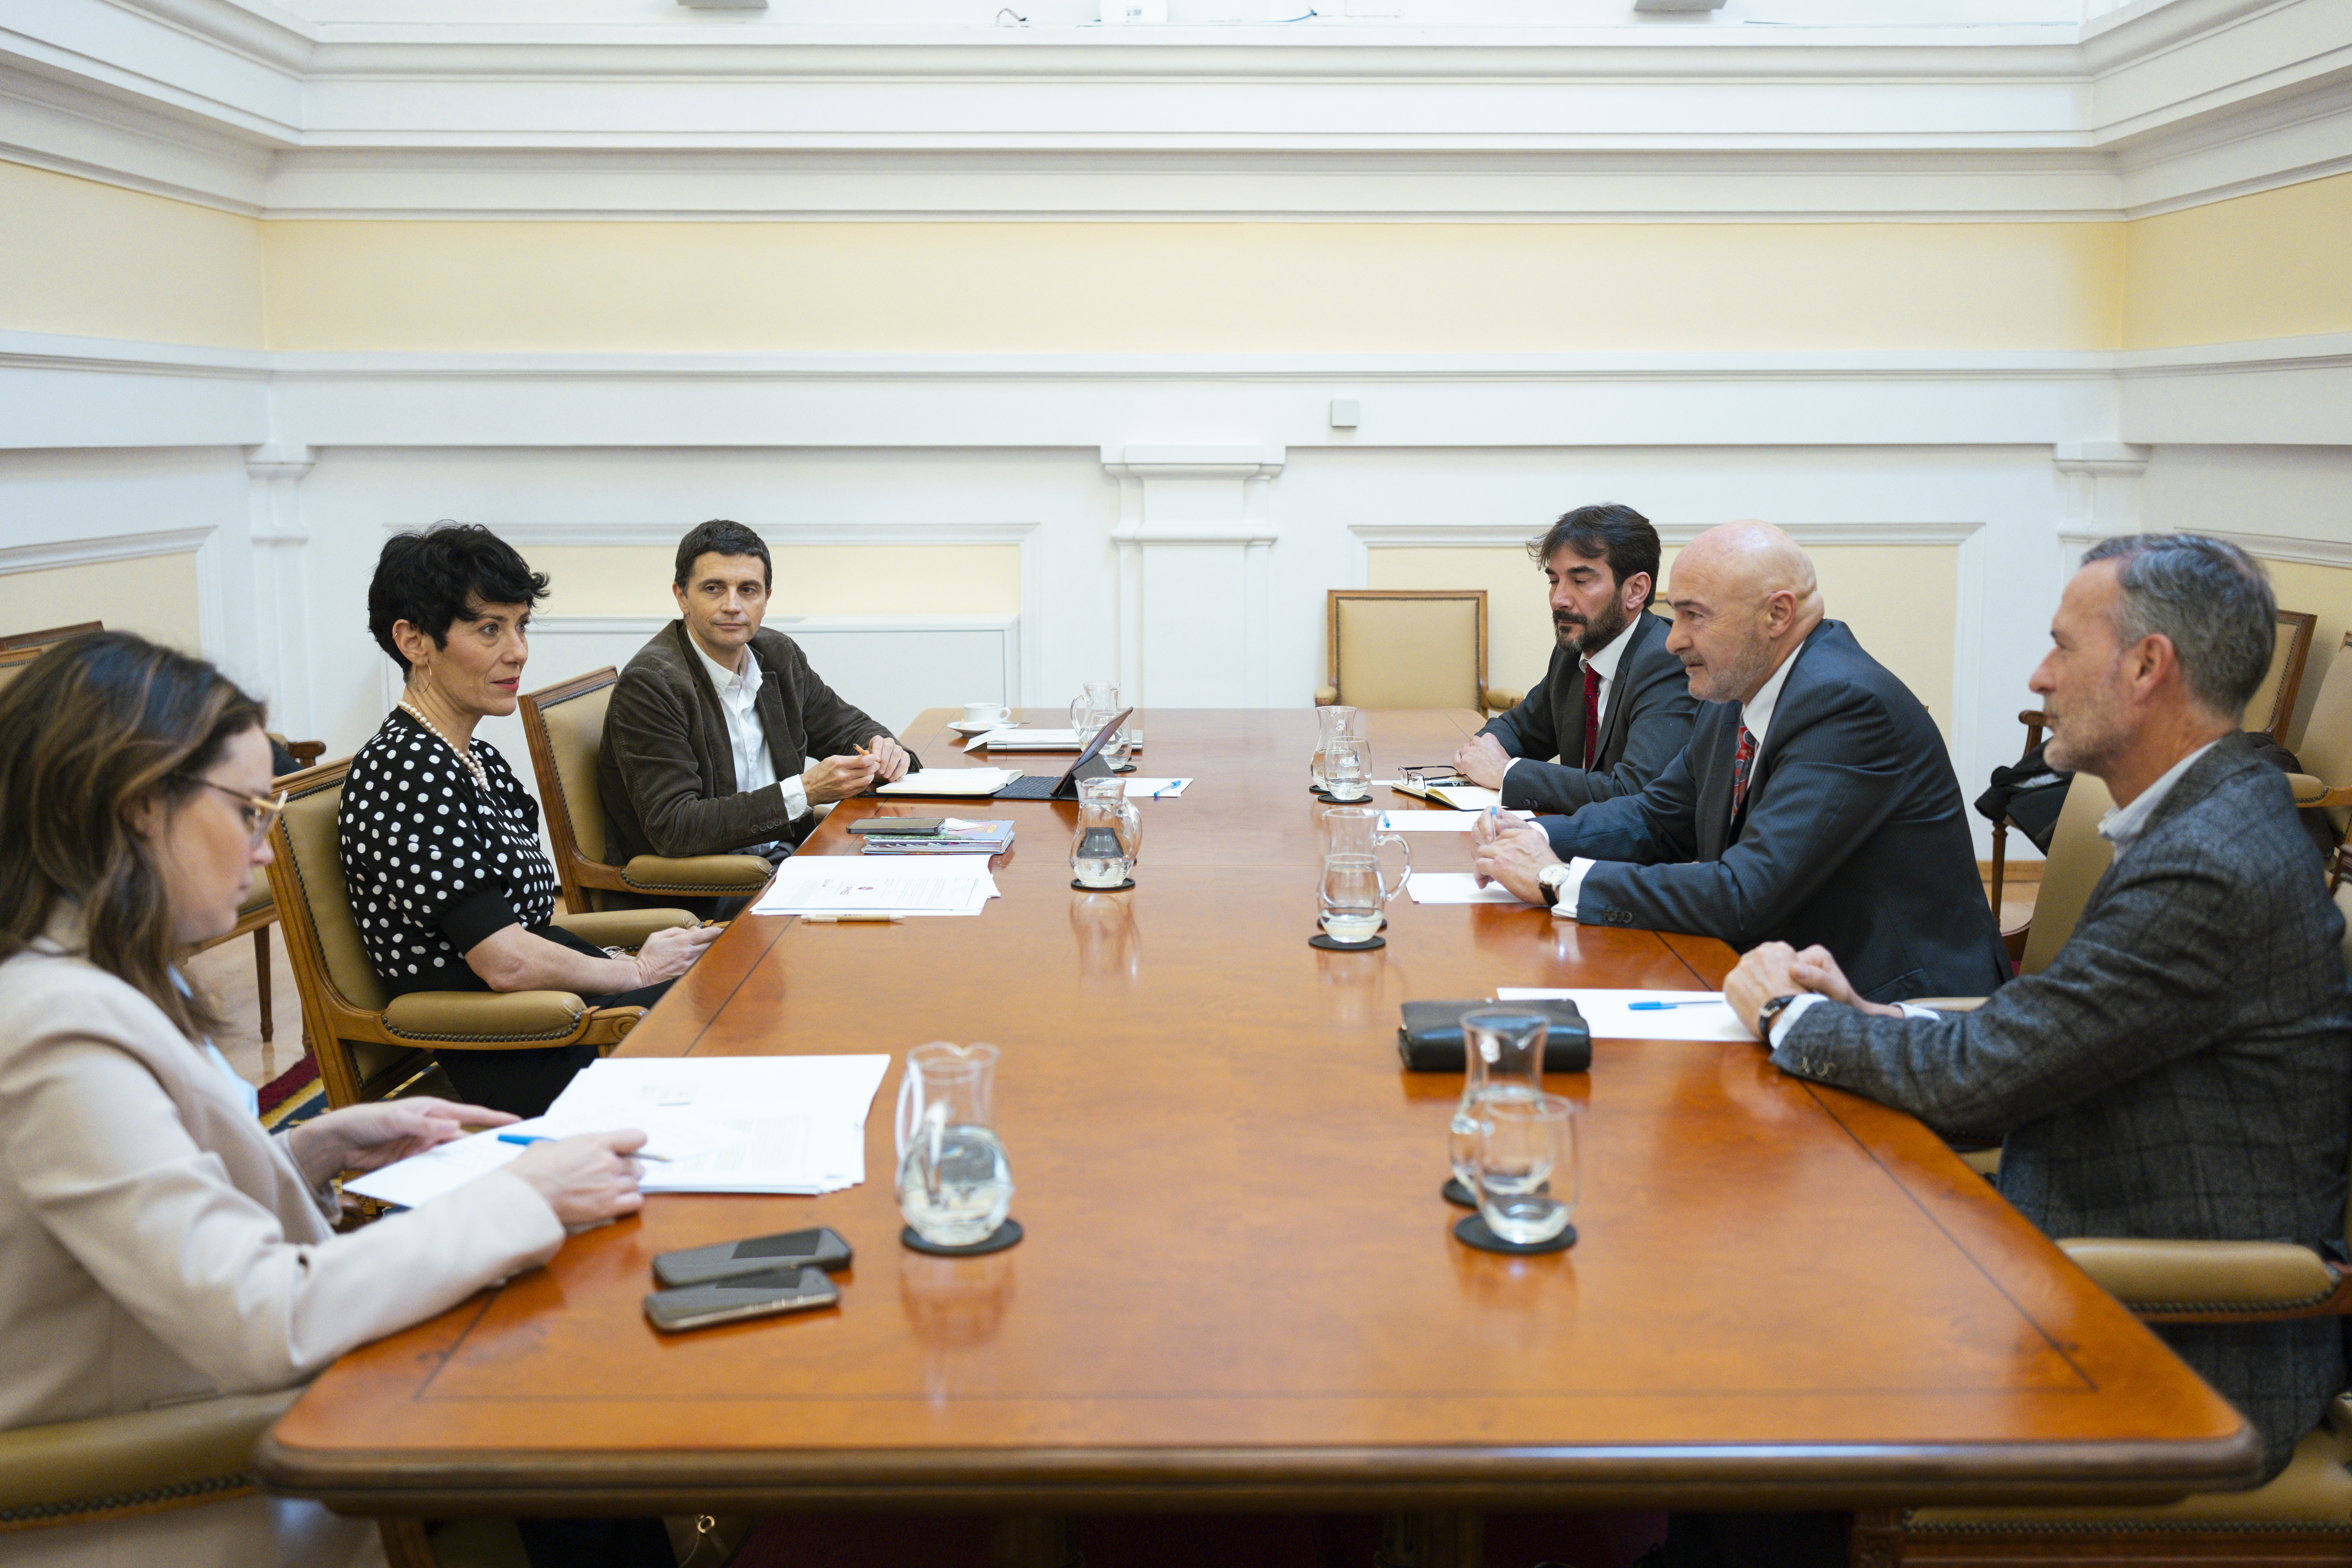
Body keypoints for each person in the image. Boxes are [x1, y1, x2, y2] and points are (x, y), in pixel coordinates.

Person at [0, 631, 655, 1568]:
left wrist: (317, 1147)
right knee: (563, 1404)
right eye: (249, 811)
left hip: (230, 1412)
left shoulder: (87, 977)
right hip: (191, 1497)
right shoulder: (53, 1028)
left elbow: (150, 1211)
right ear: (142, 807)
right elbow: (262, 1317)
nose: (268, 853)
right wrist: (525, 1196)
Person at [1724, 534, 2352, 1482]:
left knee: (1776, 1336)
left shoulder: (2206, 865)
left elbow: (1980, 1084)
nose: (2037, 675)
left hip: (2177, 1347)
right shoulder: (2202, 819)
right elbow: (2049, 1032)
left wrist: (1788, 1018)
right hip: (2090, 1264)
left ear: (2146, 667)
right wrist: (1872, 1013)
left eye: (2062, 646)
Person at [1472, 519, 2007, 1003]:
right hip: (1775, 975)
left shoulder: (1845, 705)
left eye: (1693, 616)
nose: (1673, 639)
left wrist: (1554, 879)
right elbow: (1656, 818)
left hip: (1893, 1004)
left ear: (1777, 614)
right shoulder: (1737, 687)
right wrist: (1535, 835)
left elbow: (1744, 892)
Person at [341, 525, 720, 1117]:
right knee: (729, 1024)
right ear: (414, 641)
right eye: (490, 628)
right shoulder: (405, 770)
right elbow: (506, 959)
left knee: (727, 982)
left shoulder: (475, 758)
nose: (517, 650)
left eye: (521, 625)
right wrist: (636, 970)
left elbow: (529, 929)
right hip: (518, 1045)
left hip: (559, 1014)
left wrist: (622, 963)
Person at [600, 519, 914, 876]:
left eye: (748, 590)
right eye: (714, 589)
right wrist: (805, 791)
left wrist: (884, 748)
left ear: (767, 599)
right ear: (682, 597)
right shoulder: (651, 684)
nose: (733, 605)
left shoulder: (777, 654)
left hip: (785, 857)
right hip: (708, 885)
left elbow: (845, 726)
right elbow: (675, 828)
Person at [1451, 503, 1697, 814]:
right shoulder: (1575, 653)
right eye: (1554, 581)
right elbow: (1520, 729)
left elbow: (1632, 794)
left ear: (1636, 590)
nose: (1559, 599)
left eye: (1580, 581)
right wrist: (1480, 751)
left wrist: (1505, 772)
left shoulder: (1666, 662)